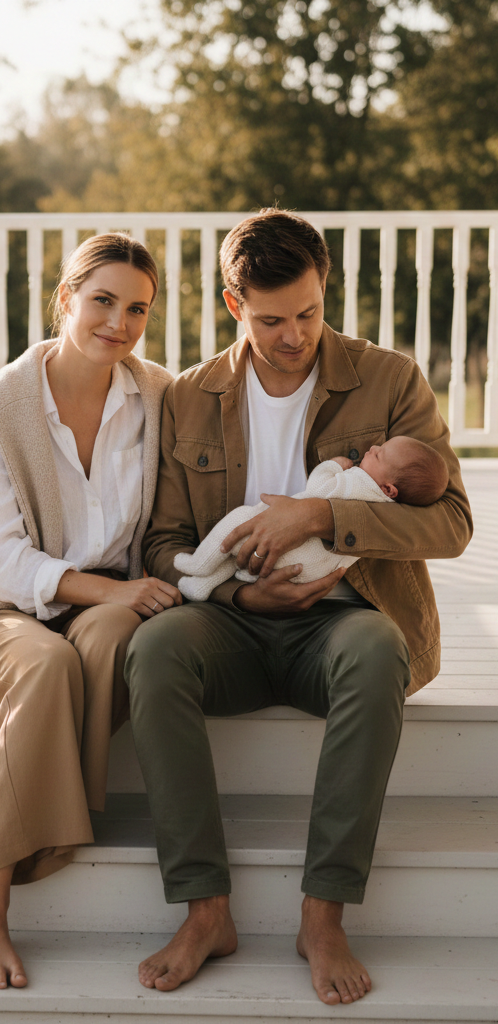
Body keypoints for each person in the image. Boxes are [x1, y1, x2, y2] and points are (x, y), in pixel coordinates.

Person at [124, 209, 472, 1006]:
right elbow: (164, 543)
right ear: (231, 302)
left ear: (325, 291)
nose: (295, 335)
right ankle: (205, 908)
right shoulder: (189, 396)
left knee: (379, 650)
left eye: (310, 313)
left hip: (344, 621)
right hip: (231, 619)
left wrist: (318, 516)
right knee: (154, 650)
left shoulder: (390, 379)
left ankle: (325, 915)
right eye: (272, 319)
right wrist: (246, 593)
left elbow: (451, 523)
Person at [0, 233, 178, 990]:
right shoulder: (1, 406)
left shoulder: (157, 396)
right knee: (48, 660)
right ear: (65, 298)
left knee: (104, 642)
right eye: (102, 300)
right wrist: (109, 590)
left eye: (137, 308)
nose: (119, 322)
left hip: (105, 602)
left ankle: (7, 785)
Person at [176, 435, 449, 600]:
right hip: (308, 571)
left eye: (378, 454)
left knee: (241, 520)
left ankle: (199, 564)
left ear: (389, 488)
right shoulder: (386, 507)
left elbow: (317, 491)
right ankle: (203, 586)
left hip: (292, 551)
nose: (372, 448)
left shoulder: (359, 483)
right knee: (243, 561)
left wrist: (331, 466)